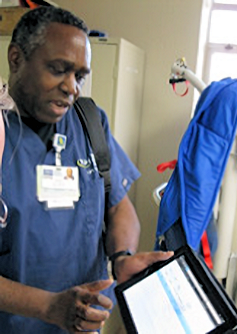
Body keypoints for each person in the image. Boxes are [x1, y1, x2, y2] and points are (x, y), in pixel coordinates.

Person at [0, 6, 173, 334]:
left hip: (82, 327)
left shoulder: (89, 122)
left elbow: (119, 205)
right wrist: (50, 307)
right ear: (16, 58)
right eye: (58, 69)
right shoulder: (3, 133)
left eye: (79, 75)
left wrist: (122, 257)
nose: (72, 87)